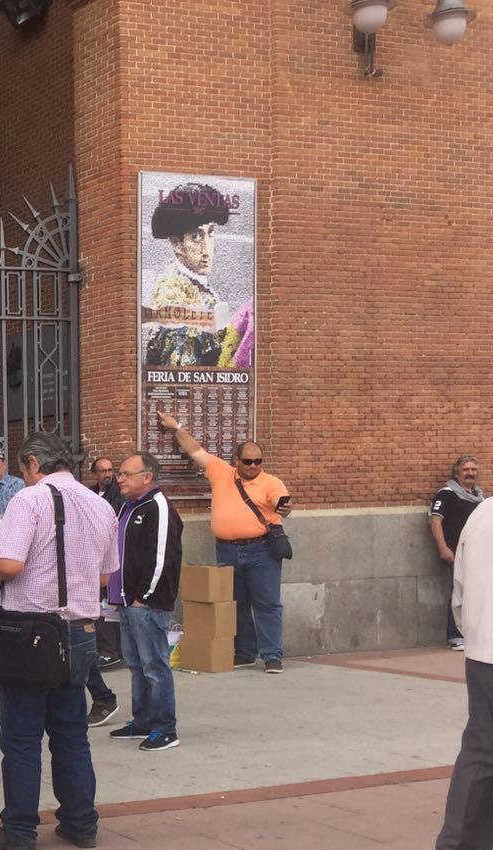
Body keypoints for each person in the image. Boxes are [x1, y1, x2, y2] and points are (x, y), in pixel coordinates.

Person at [0, 432, 118, 850]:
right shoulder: (99, 504)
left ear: (34, 463)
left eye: (22, 467)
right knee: (71, 732)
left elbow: (10, 564)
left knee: (21, 734)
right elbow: (106, 576)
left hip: (31, 632)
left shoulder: (30, 500)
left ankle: (19, 829)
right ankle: (80, 823)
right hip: (80, 631)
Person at [158, 411, 291, 672]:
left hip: (261, 549)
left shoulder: (271, 482)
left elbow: (281, 501)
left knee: (267, 603)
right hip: (228, 550)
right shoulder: (221, 472)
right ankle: (244, 652)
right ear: (236, 460)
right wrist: (176, 427)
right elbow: (195, 449)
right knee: (236, 604)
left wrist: (284, 508)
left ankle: (272, 655)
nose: (253, 466)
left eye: (258, 461)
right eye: (248, 461)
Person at [105, 453, 184, 751]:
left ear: (147, 476)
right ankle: (143, 721)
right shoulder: (128, 505)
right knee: (136, 664)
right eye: (119, 473)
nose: (119, 479)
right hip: (125, 601)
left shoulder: (158, 507)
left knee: (154, 665)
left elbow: (161, 558)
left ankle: (165, 727)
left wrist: (142, 597)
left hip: (145, 604)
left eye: (126, 473)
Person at [437, 497, 493, 850]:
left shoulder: (483, 513)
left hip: (484, 651)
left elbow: (460, 581)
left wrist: (471, 633)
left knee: (481, 748)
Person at [142, 184, 230, 367]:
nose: (206, 249)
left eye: (210, 233)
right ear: (176, 244)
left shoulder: (195, 284)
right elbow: (182, 371)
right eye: (196, 237)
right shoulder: (173, 292)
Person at [430, 455, 482, 651]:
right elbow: (435, 520)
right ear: (457, 473)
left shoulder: (479, 497)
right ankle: (455, 635)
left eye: (473, 470)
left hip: (477, 554)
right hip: (455, 553)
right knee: (459, 592)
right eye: (466, 470)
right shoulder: (447, 493)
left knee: (477, 593)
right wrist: (443, 547)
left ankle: (473, 633)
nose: (470, 473)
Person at [86, 456, 124, 671]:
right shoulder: (90, 493)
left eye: (110, 470)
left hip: (110, 555)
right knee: (98, 606)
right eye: (103, 471)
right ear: (95, 473)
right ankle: (102, 649)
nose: (108, 474)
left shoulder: (117, 494)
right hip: (93, 554)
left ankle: (111, 651)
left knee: (108, 604)